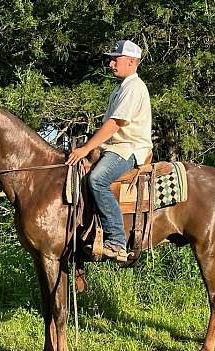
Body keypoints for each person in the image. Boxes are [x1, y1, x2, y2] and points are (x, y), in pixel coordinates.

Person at [66, 40, 153, 262]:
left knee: (97, 179)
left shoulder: (134, 87)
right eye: (111, 59)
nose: (111, 63)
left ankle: (116, 241)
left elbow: (115, 124)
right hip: (115, 147)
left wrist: (87, 148)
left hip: (129, 148)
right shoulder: (120, 88)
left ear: (132, 62)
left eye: (116, 59)